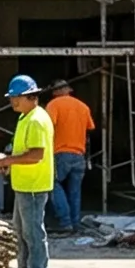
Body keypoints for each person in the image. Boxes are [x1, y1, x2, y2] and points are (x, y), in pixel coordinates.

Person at [0, 74, 56, 268]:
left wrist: (7, 161)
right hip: (24, 185)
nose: (12, 101)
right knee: (22, 234)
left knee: (33, 234)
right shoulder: (25, 118)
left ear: (30, 96)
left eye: (15, 97)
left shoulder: (37, 120)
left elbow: (36, 155)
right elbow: (24, 152)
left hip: (33, 187)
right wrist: (9, 164)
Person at [45, 79, 95, 232]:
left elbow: (47, 127)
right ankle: (75, 223)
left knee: (52, 184)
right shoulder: (83, 106)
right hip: (79, 154)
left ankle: (65, 222)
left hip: (61, 153)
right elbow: (90, 127)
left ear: (55, 92)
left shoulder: (54, 105)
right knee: (75, 191)